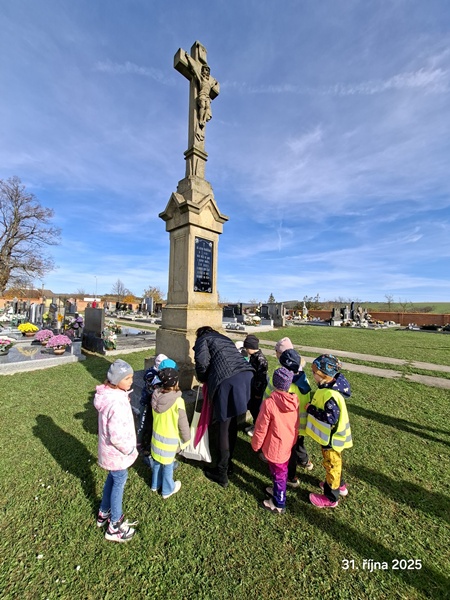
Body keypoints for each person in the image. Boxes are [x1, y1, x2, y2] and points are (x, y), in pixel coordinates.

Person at [194, 326, 254, 487]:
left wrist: (202, 378)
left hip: (228, 380)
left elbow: (201, 363)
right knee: (232, 422)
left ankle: (221, 472)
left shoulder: (203, 339)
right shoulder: (224, 339)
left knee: (224, 426)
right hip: (246, 376)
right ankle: (228, 464)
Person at [94, 359, 138, 542]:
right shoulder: (116, 403)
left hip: (110, 452)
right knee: (119, 481)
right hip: (118, 452)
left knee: (113, 478)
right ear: (116, 380)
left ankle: (103, 512)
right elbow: (117, 436)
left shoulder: (110, 395)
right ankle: (115, 526)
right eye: (127, 378)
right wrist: (130, 449)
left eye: (131, 377)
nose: (131, 381)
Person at [306, 354, 353, 508]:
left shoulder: (330, 394)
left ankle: (331, 498)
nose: (312, 375)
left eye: (314, 372)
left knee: (332, 466)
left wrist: (311, 409)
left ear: (323, 375)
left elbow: (330, 418)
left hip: (332, 440)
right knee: (334, 463)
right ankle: (340, 485)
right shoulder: (329, 387)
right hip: (330, 438)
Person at [251, 367, 299, 514]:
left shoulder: (269, 403)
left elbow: (261, 427)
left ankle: (279, 502)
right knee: (278, 471)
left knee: (280, 475)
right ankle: (277, 490)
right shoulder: (294, 400)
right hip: (287, 443)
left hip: (275, 446)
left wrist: (256, 444)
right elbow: (296, 423)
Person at [276, 349, 314, 487]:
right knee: (299, 444)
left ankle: (291, 477)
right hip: (301, 425)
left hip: (288, 427)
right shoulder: (304, 380)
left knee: (289, 452)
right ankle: (304, 461)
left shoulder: (283, 384)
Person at [150, 367, 190, 499]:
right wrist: (187, 439)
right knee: (168, 465)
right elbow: (183, 424)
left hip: (156, 439)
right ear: (176, 382)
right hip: (169, 441)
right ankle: (167, 490)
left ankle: (155, 484)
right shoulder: (178, 401)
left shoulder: (155, 396)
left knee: (157, 462)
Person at [243, 334, 268, 437]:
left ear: (251, 347)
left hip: (258, 390)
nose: (246, 350)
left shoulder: (260, 359)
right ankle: (255, 424)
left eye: (246, 348)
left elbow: (261, 378)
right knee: (252, 408)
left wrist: (258, 393)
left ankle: (258, 428)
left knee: (257, 409)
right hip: (253, 387)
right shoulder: (253, 357)